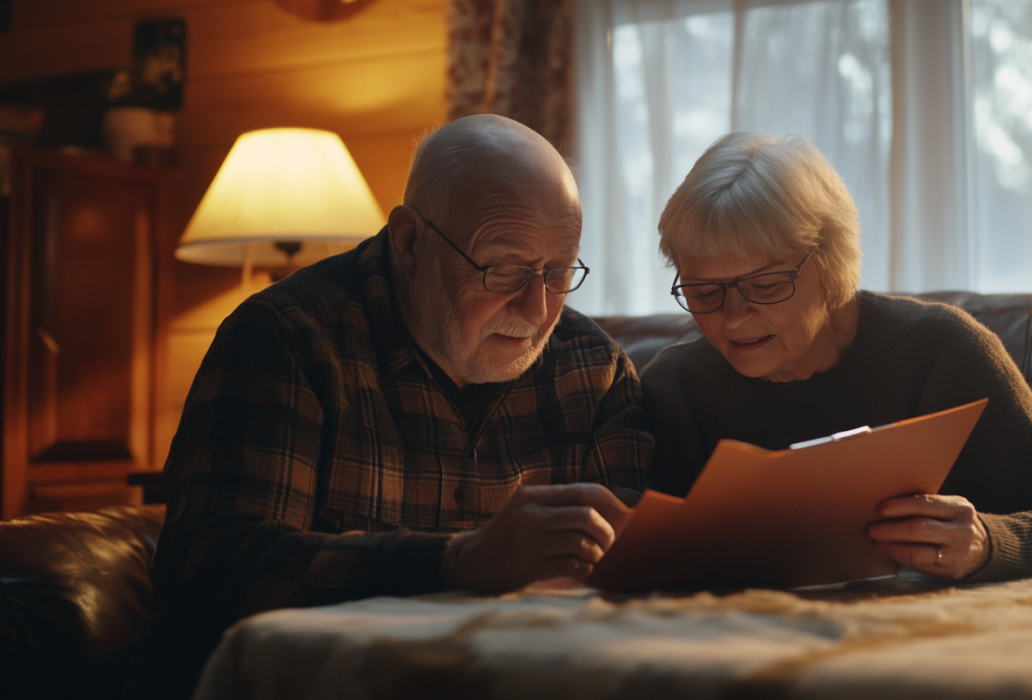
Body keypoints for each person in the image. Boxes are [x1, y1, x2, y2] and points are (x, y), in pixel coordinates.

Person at [127, 115, 651, 699]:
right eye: (502, 269)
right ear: (408, 241)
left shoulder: (594, 370)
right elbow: (213, 572)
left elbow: (627, 585)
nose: (536, 309)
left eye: (557, 272)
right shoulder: (288, 338)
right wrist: (456, 560)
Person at [642, 132, 1032, 583]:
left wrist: (987, 544)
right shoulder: (675, 389)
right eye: (703, 292)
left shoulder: (942, 351)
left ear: (829, 264)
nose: (733, 318)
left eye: (765, 286)